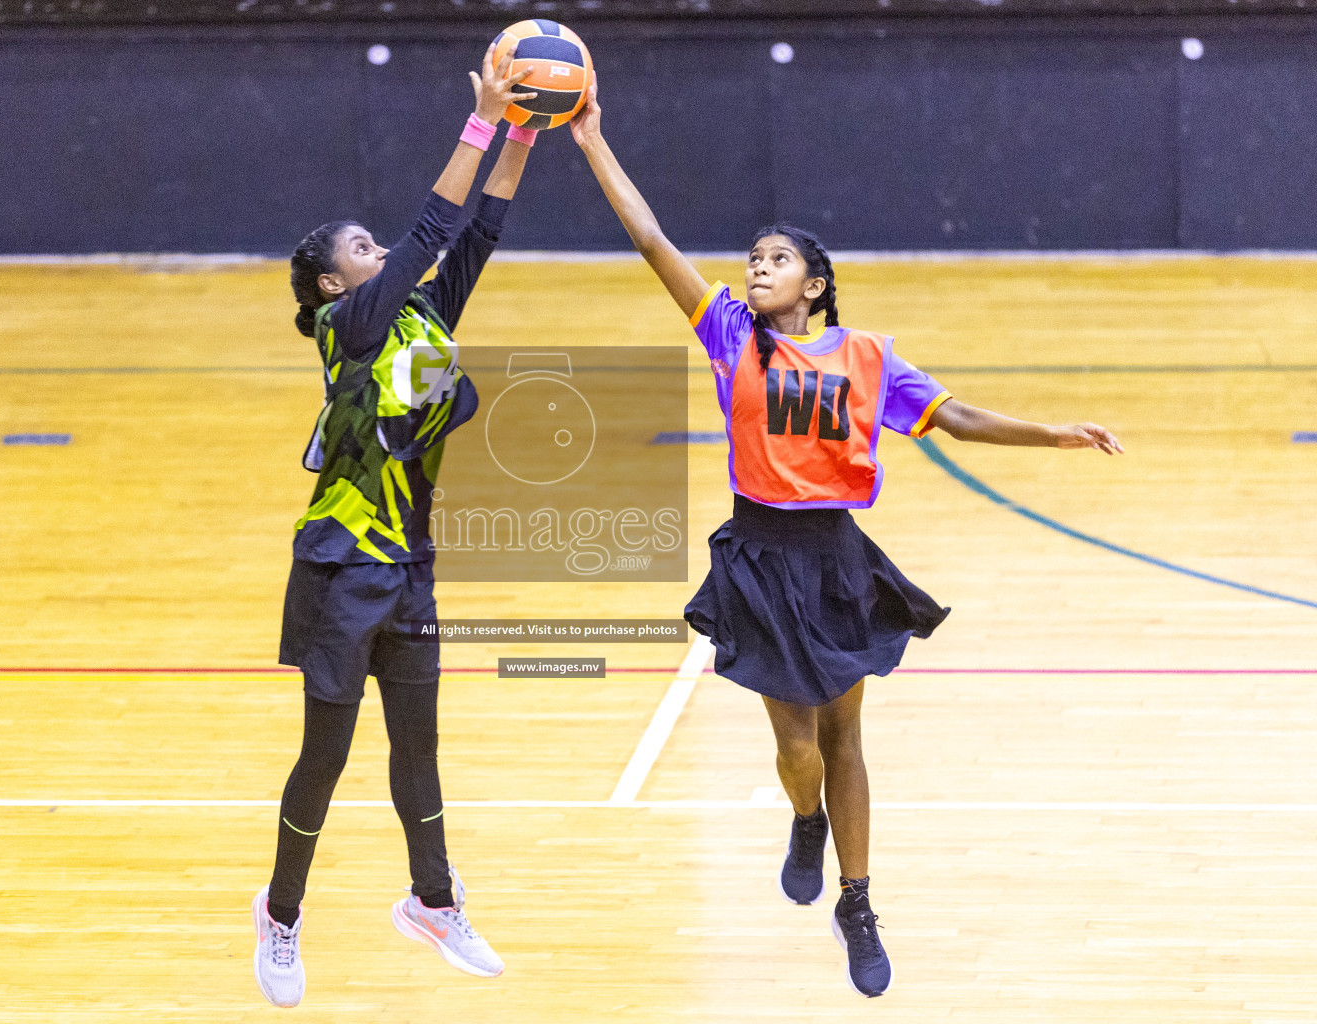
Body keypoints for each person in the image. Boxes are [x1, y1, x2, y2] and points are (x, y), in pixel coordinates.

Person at [569, 78, 1122, 998]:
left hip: (832, 556)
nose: (755, 266)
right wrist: (591, 142)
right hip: (757, 555)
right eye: (752, 257)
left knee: (846, 736)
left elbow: (960, 418)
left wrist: (1052, 432)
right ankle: (804, 821)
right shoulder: (729, 336)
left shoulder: (868, 357)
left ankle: (857, 901)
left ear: (813, 284)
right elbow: (652, 240)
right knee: (797, 751)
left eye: (775, 259)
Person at [253, 44, 543, 1007]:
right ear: (336, 287)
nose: (384, 256)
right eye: (364, 251)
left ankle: (432, 903)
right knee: (324, 760)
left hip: (408, 562)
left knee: (416, 751)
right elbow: (430, 226)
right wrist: (477, 121)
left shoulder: (420, 310)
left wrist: (526, 128)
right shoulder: (353, 327)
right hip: (341, 569)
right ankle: (282, 916)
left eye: (378, 249)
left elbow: (478, 229)